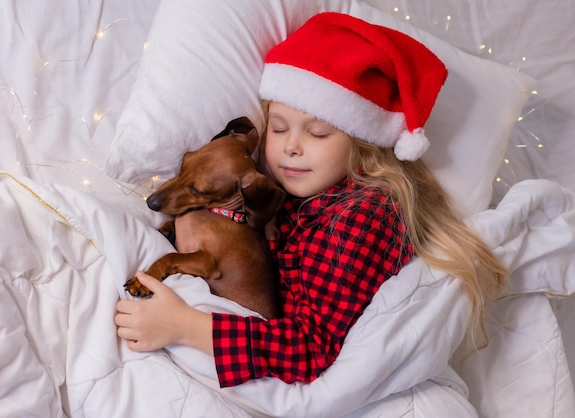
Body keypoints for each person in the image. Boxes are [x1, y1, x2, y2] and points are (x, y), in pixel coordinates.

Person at [115, 12, 506, 388]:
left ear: (362, 143)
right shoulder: (294, 198)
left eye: (317, 133)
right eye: (280, 128)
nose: (292, 148)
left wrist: (186, 326)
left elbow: (312, 350)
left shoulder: (360, 217)